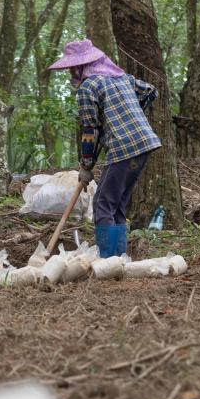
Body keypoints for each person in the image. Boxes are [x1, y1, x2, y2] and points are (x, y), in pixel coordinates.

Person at [48, 38, 160, 258]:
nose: (71, 72)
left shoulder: (87, 87)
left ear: (81, 67)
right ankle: (119, 259)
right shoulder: (123, 79)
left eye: (73, 67)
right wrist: (129, 113)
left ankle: (108, 259)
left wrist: (86, 165)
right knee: (116, 204)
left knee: (102, 203)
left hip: (123, 147)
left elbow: (90, 131)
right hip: (145, 143)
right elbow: (151, 91)